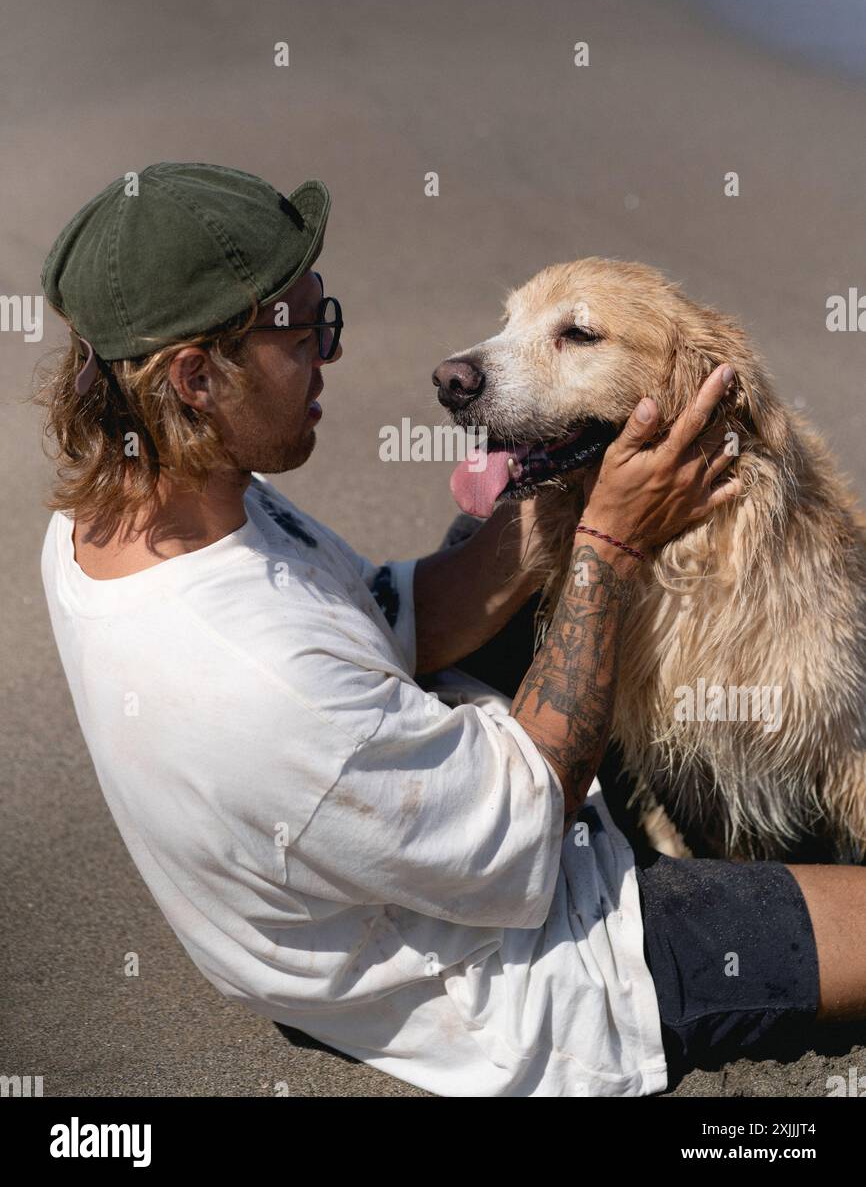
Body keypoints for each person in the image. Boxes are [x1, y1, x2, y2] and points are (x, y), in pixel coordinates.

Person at [36, 162, 866, 1097]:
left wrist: (564, 511)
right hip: (534, 963)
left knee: (496, 524)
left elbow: (391, 619)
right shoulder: (256, 683)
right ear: (195, 377)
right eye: (308, 332)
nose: (333, 354)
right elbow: (522, 836)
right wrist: (604, 544)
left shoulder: (128, 514)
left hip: (409, 823)